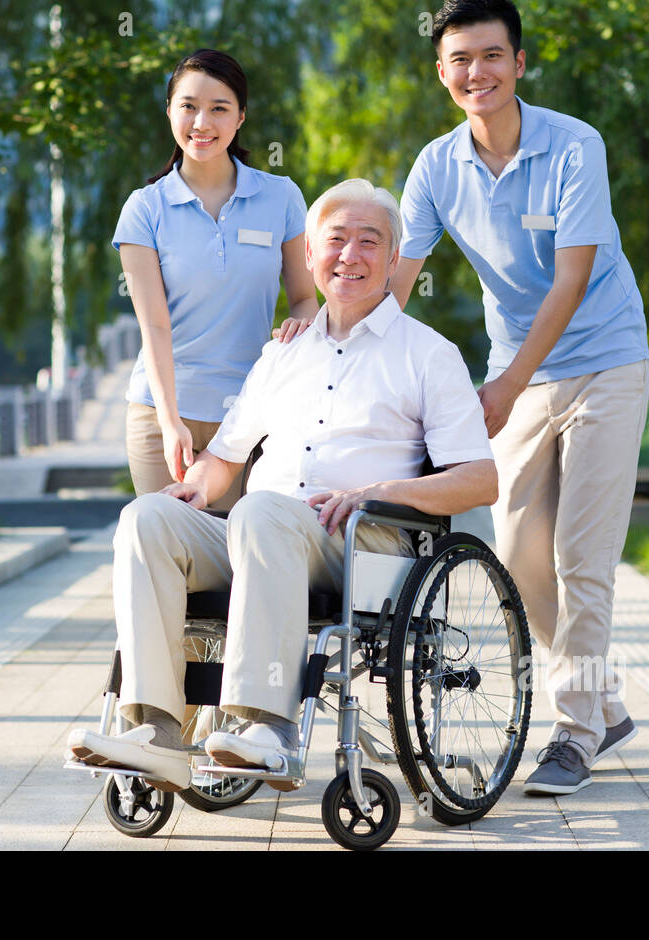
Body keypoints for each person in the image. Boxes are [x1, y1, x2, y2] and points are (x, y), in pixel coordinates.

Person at [69, 179, 498, 791]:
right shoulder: (283, 354)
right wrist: (194, 488)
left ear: (394, 260)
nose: (349, 255)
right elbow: (223, 460)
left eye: (368, 242)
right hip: (261, 533)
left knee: (262, 512)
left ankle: (266, 727)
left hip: (362, 543)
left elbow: (480, 480)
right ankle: (158, 733)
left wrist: (378, 492)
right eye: (335, 240)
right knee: (147, 519)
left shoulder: (427, 354)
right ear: (308, 257)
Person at [390, 0, 649, 796]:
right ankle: (602, 700)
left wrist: (504, 382)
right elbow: (393, 281)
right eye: (460, 60)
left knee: (582, 552)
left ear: (519, 63)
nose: (478, 72)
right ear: (442, 72)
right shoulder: (437, 166)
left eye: (492, 56)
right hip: (520, 373)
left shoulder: (575, 146)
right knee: (520, 556)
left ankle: (575, 734)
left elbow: (571, 279)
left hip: (605, 359)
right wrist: (326, 346)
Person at [114, 49, 319, 511]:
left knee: (245, 563)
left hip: (255, 417)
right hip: (163, 417)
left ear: (241, 116)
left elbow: (305, 298)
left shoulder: (281, 197)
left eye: (219, 108)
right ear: (169, 111)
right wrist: (170, 424)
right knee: (170, 560)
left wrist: (299, 323)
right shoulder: (144, 209)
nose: (201, 122)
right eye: (187, 106)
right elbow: (154, 327)